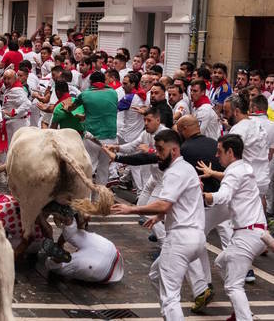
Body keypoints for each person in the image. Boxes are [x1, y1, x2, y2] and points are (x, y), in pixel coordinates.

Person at [112, 129, 208, 321]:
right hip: (196, 239)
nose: (157, 154)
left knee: (170, 297)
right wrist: (159, 217)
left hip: (180, 239)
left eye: (160, 150)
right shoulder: (187, 168)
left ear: (174, 151)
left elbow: (164, 203)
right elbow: (179, 203)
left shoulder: (175, 172)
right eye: (156, 149)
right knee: (156, 276)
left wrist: (131, 210)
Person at [200, 134, 267, 321]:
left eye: (219, 151)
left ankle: (244, 317)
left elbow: (224, 195)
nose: (216, 155)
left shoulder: (235, 172)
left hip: (246, 235)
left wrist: (202, 195)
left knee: (233, 286)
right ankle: (240, 312)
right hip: (257, 233)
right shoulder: (244, 168)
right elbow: (230, 180)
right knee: (221, 262)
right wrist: (213, 174)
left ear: (230, 152)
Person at [44, 209, 124, 284]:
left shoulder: (84, 250)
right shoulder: (85, 247)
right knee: (72, 237)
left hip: (102, 262)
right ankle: (56, 259)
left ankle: (55, 259)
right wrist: (59, 244)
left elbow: (67, 236)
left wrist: (59, 244)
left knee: (53, 266)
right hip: (111, 253)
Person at [68, 71, 118, 185]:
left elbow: (70, 108)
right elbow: (103, 110)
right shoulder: (113, 93)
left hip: (92, 137)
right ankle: (100, 198)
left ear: (90, 82)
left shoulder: (85, 94)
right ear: (104, 81)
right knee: (104, 169)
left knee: (89, 168)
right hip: (110, 137)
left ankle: (87, 198)